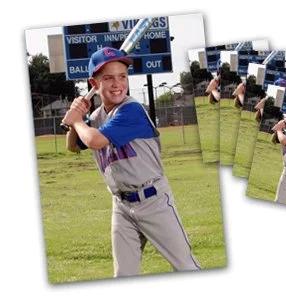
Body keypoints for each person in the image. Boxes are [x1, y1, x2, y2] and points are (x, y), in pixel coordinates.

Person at [62, 47, 200, 277]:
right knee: (124, 275)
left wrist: (76, 122)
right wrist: (76, 117)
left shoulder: (131, 109)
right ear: (94, 84)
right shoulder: (96, 117)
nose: (117, 83)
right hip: (122, 205)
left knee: (185, 267)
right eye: (108, 78)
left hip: (153, 200)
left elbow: (94, 140)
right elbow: (74, 146)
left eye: (122, 76)